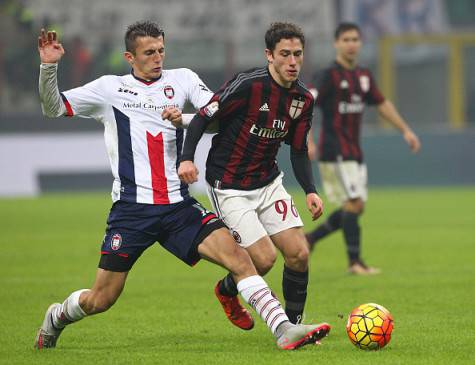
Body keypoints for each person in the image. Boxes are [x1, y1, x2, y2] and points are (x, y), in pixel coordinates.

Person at [34, 21, 331, 351]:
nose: (158, 58)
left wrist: (184, 119)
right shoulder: (109, 88)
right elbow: (54, 107)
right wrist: (49, 67)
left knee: (241, 259)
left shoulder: (184, 79)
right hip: (133, 211)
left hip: (179, 207)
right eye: (149, 53)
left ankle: (283, 330)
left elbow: (217, 116)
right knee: (101, 299)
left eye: (161, 50)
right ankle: (58, 316)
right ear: (129, 57)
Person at [177, 22, 324, 329]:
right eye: (285, 54)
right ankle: (226, 290)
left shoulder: (303, 100)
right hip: (229, 185)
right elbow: (203, 118)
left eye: (298, 54)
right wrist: (187, 159)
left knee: (298, 253)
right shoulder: (248, 85)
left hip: (268, 182)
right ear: (269, 55)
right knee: (263, 260)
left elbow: (298, 150)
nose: (293, 61)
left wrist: (310, 190)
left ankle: (295, 324)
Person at [305, 22, 421, 274]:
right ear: (336, 43)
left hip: (354, 152)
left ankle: (310, 239)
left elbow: (382, 104)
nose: (351, 44)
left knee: (355, 206)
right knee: (354, 203)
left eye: (355, 39)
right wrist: (308, 140)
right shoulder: (327, 75)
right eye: (346, 39)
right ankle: (354, 263)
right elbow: (307, 106)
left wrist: (405, 130)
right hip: (334, 149)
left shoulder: (364, 76)